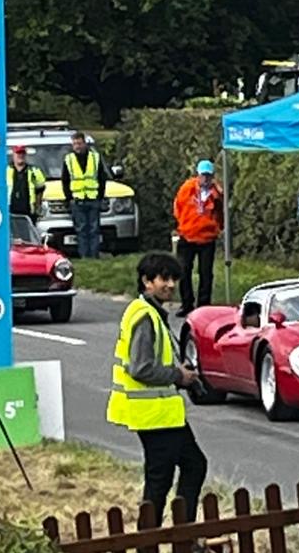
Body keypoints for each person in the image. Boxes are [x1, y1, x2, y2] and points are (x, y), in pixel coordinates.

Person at [108, 252, 208, 526]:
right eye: (164, 278)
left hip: (162, 413)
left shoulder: (149, 312)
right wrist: (179, 376)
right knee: (161, 479)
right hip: (152, 414)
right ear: (146, 281)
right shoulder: (145, 317)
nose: (171, 285)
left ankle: (175, 536)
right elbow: (140, 368)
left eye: (174, 278)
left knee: (192, 466)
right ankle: (150, 545)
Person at [172, 159, 224, 317]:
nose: (206, 179)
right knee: (184, 270)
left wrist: (217, 228)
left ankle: (203, 306)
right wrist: (183, 224)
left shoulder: (216, 193)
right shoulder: (187, 188)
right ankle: (186, 304)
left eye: (209, 176)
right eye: (203, 176)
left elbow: (221, 214)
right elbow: (178, 206)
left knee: (206, 273)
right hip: (187, 236)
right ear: (198, 175)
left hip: (207, 239)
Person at [60, 132, 110, 258]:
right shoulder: (69, 160)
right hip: (77, 200)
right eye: (75, 144)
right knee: (81, 230)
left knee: (94, 229)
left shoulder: (95, 158)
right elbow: (65, 180)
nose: (77, 146)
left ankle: (94, 255)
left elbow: (101, 178)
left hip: (93, 199)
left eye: (79, 143)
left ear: (84, 143)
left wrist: (100, 196)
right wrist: (68, 198)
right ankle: (84, 256)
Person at [7, 146, 47, 222]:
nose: (20, 156)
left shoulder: (34, 171)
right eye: (18, 153)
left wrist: (37, 206)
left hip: (28, 211)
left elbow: (40, 189)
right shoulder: (6, 170)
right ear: (13, 155)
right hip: (10, 211)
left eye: (22, 153)